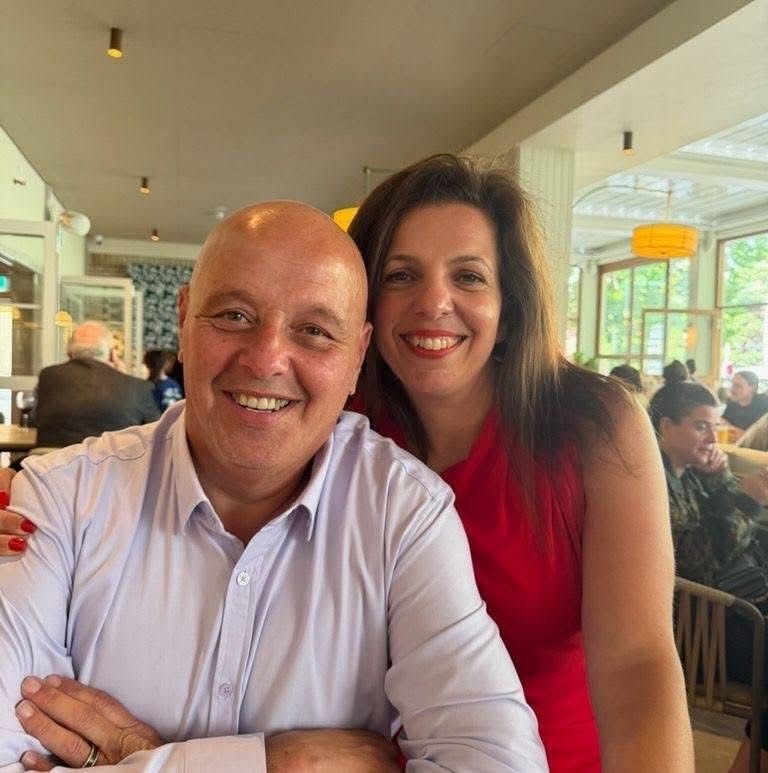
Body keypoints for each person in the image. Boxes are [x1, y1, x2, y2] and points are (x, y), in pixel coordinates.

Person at [0, 202, 546, 771]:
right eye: (234, 316)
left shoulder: (403, 512)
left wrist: (144, 759)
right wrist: (291, 761)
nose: (266, 360)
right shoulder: (61, 498)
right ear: (185, 319)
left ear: (357, 356)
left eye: (314, 331)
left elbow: (496, 760)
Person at [348, 154, 693, 772]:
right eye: (400, 275)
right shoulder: (341, 423)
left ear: (511, 304)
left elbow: (638, 666)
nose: (434, 302)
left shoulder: (595, 423)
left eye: (469, 277)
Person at [648, 381, 768, 772]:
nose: (713, 438)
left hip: (738, 606)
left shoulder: (695, 473)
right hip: (703, 630)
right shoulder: (651, 483)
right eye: (701, 426)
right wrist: (748, 501)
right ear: (665, 427)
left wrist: (720, 481)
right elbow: (699, 566)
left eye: (714, 427)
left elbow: (731, 537)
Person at [34, 321, 160, 447]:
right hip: (110, 465)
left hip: (51, 463)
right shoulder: (137, 387)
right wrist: (124, 377)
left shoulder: (48, 376)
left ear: (69, 353)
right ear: (112, 355)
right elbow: (156, 433)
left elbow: (33, 419)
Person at [722, 370, 768, 439]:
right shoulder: (732, 402)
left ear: (753, 388)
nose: (732, 389)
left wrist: (743, 434)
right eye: (732, 384)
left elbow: (761, 437)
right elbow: (723, 422)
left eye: (738, 386)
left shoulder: (764, 403)